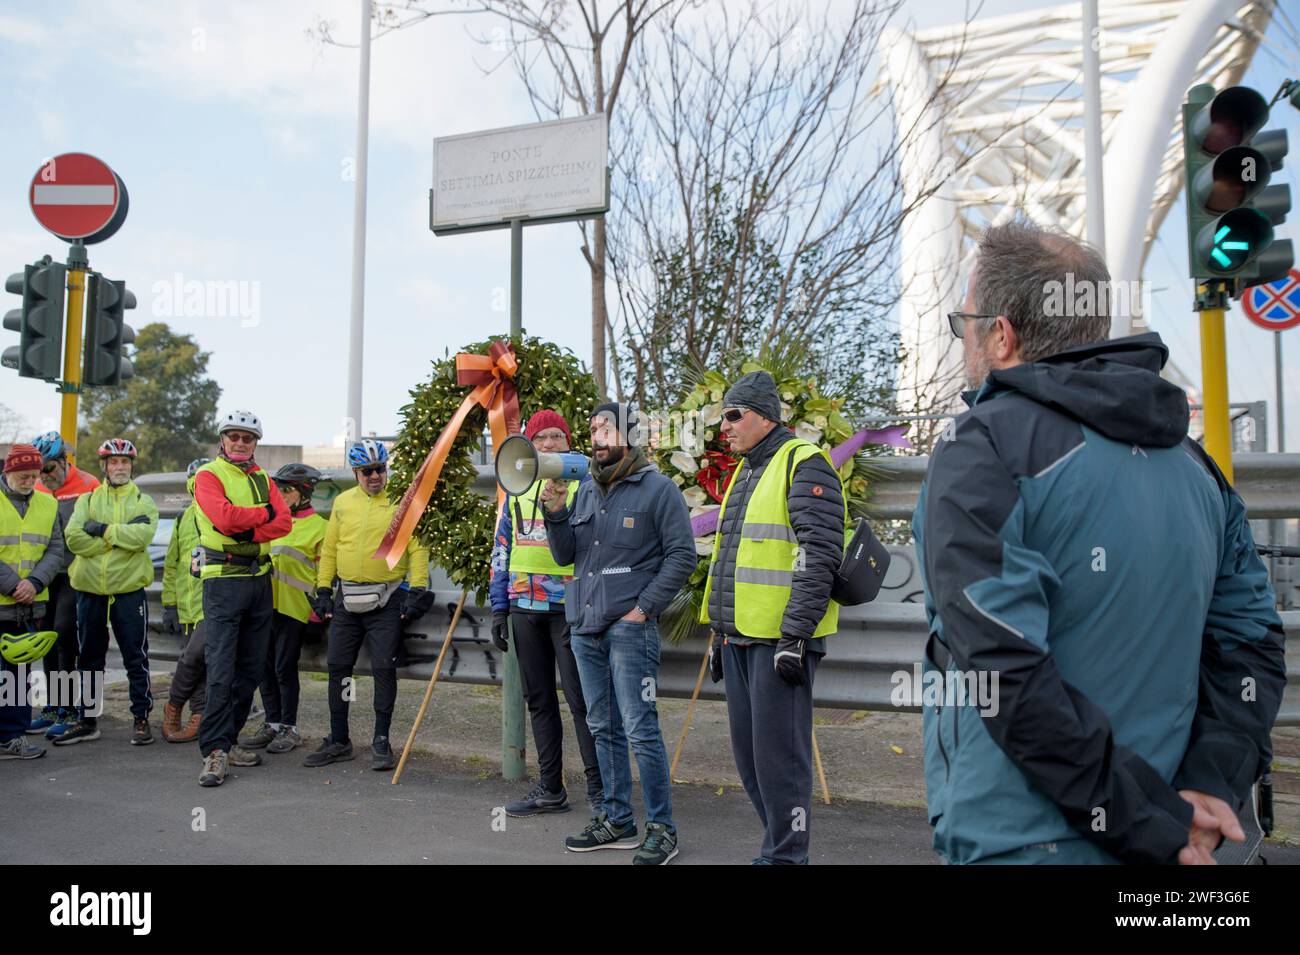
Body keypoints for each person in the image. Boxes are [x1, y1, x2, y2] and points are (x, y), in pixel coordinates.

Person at [913, 219, 1287, 865]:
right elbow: (1252, 644)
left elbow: (1005, 673)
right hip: (1180, 836)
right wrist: (1206, 786)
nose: (964, 339)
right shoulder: (1198, 469)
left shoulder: (984, 446)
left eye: (964, 322)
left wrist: (1147, 819)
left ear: (1001, 334)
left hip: (1021, 841)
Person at [699, 370, 847, 865]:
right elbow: (732, 560)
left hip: (780, 643)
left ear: (765, 416)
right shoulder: (746, 471)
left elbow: (820, 552)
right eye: (723, 416)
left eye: (734, 415)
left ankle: (785, 857)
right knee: (751, 762)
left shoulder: (803, 462)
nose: (726, 426)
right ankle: (781, 850)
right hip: (740, 640)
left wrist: (795, 636)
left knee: (780, 763)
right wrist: (719, 633)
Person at [541, 402, 696, 865]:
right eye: (592, 428)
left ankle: (662, 829)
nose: (596, 435)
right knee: (602, 726)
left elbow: (682, 557)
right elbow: (568, 557)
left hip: (629, 630)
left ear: (630, 434)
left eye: (605, 427)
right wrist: (555, 513)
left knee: (640, 729)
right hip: (586, 628)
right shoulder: (586, 491)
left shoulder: (659, 490)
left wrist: (643, 609)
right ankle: (617, 820)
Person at [489, 410, 602, 817]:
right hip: (524, 605)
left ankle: (599, 791)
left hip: (570, 608)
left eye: (558, 437)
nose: (551, 444)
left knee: (581, 700)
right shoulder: (516, 489)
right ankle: (551, 788)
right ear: (529, 445)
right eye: (543, 438)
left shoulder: (585, 485)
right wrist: (499, 607)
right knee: (538, 700)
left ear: (569, 444)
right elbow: (501, 550)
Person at [306, 440, 432, 771]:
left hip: (388, 598)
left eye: (380, 469)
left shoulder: (403, 500)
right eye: (367, 472)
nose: (375, 476)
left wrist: (417, 588)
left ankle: (381, 739)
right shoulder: (343, 502)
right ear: (355, 473)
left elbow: (418, 547)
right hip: (347, 597)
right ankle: (339, 739)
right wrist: (322, 589)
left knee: (383, 669)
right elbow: (331, 549)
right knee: (338, 669)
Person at [192, 411, 292, 787]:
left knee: (250, 668)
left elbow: (284, 523)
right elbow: (222, 518)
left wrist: (251, 519)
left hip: (258, 578)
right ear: (222, 440)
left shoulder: (264, 479)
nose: (240, 443)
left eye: (247, 438)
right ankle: (214, 751)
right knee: (220, 669)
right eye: (233, 436)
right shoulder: (208, 475)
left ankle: (229, 739)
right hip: (223, 580)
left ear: (255, 444)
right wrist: (262, 515)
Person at [56, 439, 158, 746]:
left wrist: (100, 530)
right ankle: (87, 720)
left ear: (131, 466)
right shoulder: (87, 500)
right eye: (113, 462)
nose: (120, 467)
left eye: (125, 462)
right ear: (104, 466)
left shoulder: (143, 501)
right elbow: (73, 538)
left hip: (128, 589)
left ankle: (141, 718)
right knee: (89, 656)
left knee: (135, 656)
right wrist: (118, 539)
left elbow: (142, 537)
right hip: (89, 589)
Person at [239, 463, 327, 755]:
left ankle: (290, 727)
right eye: (278, 489)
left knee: (283, 669)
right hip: (264, 608)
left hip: (295, 609)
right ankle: (272, 723)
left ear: (304, 493)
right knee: (263, 668)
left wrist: (318, 614)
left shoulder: (320, 528)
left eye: (286, 490)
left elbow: (324, 574)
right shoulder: (273, 524)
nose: (280, 494)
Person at [27, 431, 98, 738]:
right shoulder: (38, 487)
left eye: (49, 468)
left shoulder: (88, 484)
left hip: (75, 571)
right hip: (46, 573)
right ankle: (54, 706)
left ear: (64, 461)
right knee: (45, 637)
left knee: (65, 633)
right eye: (40, 471)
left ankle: (70, 709)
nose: (45, 476)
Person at [0, 444, 66, 760]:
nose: (30, 480)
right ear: (8, 471)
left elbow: (55, 549)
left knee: (17, 675)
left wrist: (35, 583)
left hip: (28, 603)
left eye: (35, 475)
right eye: (23, 475)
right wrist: (14, 585)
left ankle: (12, 735)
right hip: (5, 598)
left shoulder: (47, 503)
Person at [160, 459, 210, 743]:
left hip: (211, 605)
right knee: (197, 663)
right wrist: (169, 605)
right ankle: (198, 717)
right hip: (186, 607)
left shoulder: (219, 516)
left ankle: (174, 705)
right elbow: (171, 565)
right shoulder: (182, 518)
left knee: (194, 658)